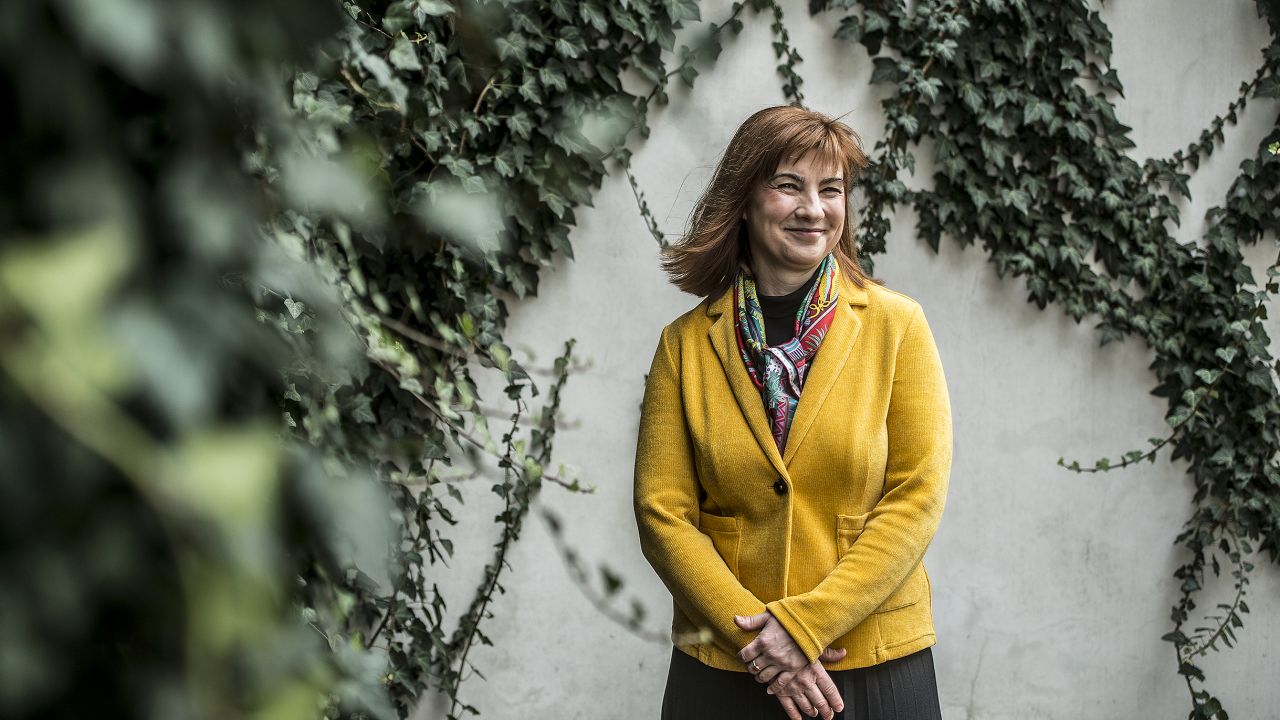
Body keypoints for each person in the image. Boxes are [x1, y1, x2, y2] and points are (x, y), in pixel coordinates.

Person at [633, 105, 952, 720]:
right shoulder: (684, 345)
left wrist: (806, 625)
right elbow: (662, 514)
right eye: (788, 186)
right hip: (729, 664)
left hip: (871, 661)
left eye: (831, 190)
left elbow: (917, 497)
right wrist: (761, 640)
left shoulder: (897, 326)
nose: (814, 208)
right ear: (743, 202)